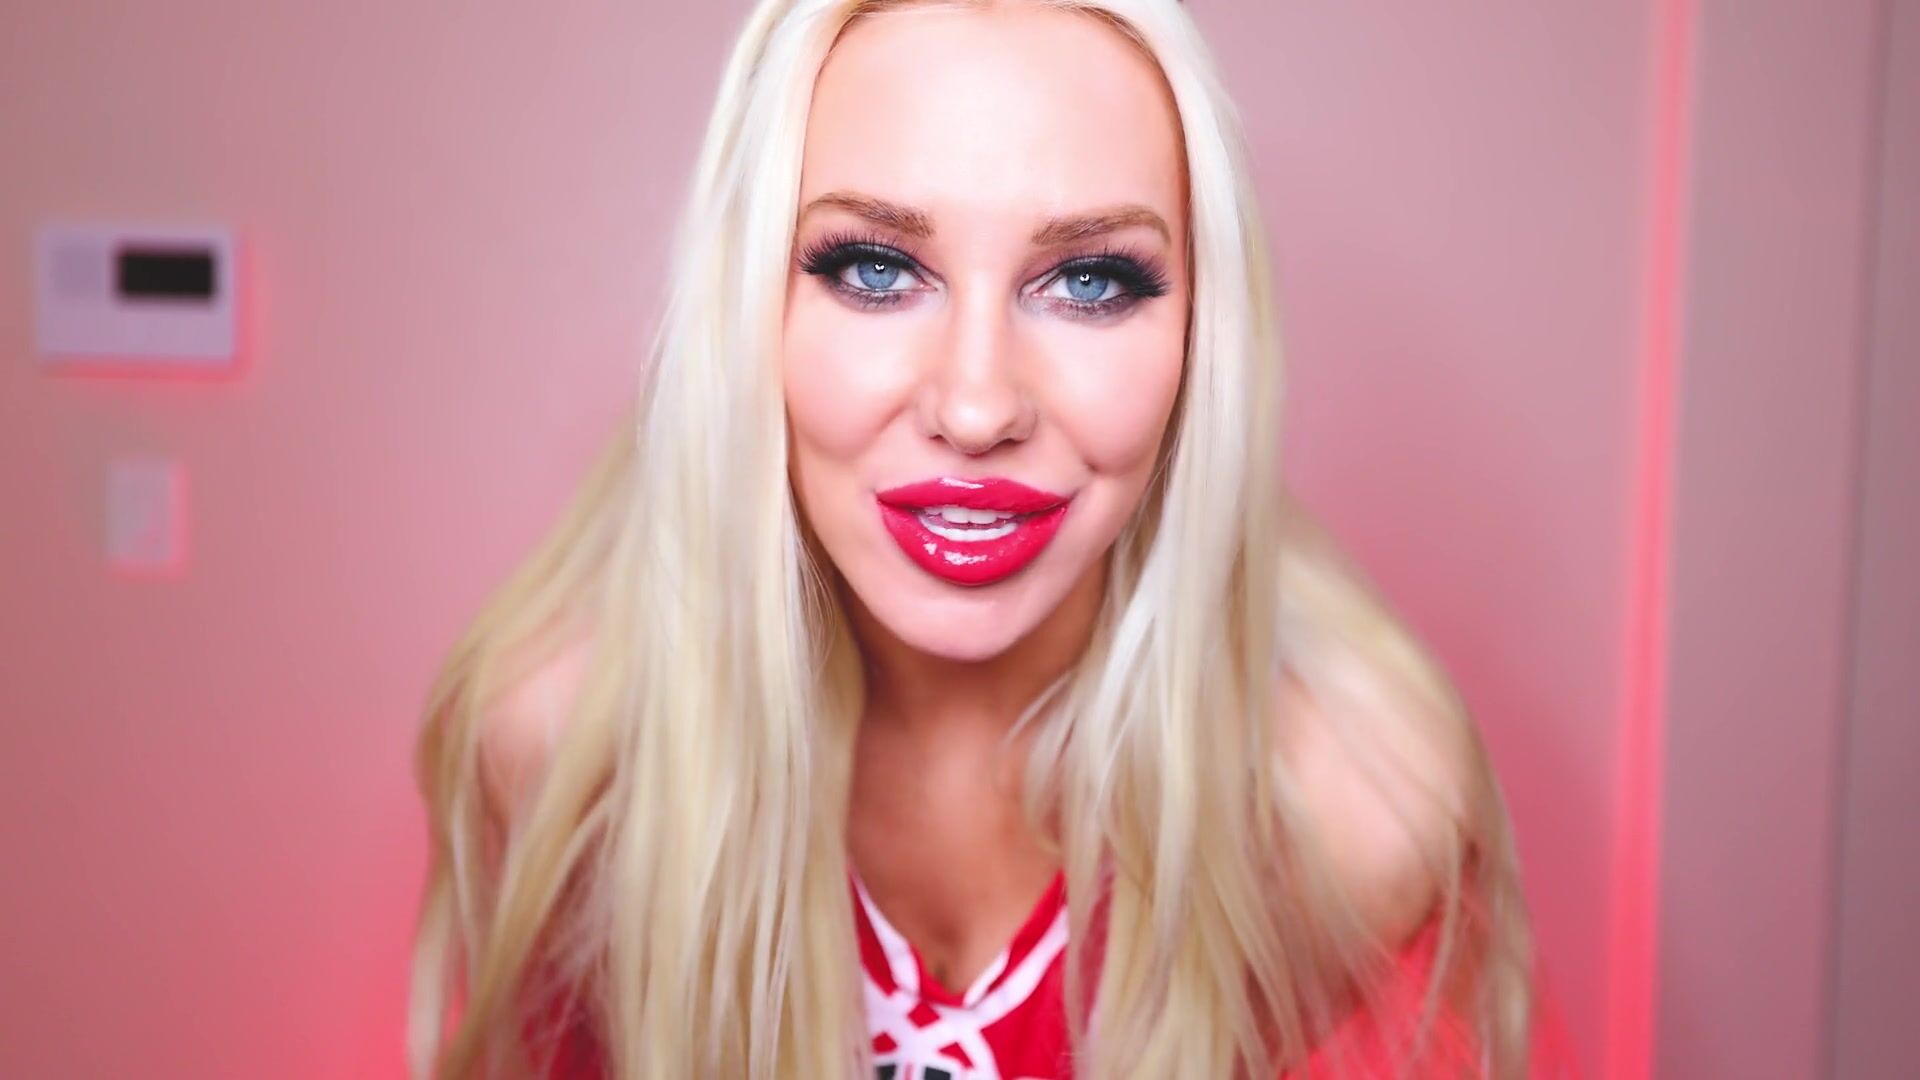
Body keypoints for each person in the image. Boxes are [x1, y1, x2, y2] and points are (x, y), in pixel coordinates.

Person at [408, 1, 1572, 1076]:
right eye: (874, 269)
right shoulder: (571, 758)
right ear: (748, 308)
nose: (976, 407)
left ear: (1202, 339)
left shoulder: (1350, 815)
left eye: (1091, 282)